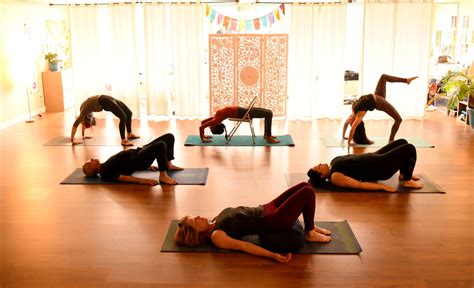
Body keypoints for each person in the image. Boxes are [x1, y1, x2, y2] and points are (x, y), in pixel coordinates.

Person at [174, 182, 332, 263]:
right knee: (308, 193)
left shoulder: (214, 221)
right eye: (194, 220)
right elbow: (244, 246)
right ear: (197, 232)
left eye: (194, 216)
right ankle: (309, 232)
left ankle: (309, 224)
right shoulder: (217, 235)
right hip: (272, 220)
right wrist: (273, 256)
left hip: (267, 207)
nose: (198, 216)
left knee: (304, 185)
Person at [307, 139, 423, 192]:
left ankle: (403, 174)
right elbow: (359, 185)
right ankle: (407, 181)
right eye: (318, 167)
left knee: (402, 142)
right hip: (381, 167)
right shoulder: (335, 177)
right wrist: (382, 187)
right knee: (409, 149)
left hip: (375, 157)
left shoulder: (333, 162)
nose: (320, 164)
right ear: (322, 176)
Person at [342, 74, 418, 145]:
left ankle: (406, 80)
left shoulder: (352, 113)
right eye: (352, 123)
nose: (350, 122)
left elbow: (345, 125)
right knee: (398, 119)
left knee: (383, 77)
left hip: (377, 95)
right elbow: (353, 129)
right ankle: (391, 140)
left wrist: (343, 136)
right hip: (380, 103)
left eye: (350, 123)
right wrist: (349, 143)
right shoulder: (359, 116)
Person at [81, 133, 182, 185]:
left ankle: (168, 164)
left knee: (169, 137)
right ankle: (163, 175)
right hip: (138, 160)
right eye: (90, 161)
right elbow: (123, 178)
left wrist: (148, 166)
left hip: (138, 152)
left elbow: (123, 166)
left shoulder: (104, 165)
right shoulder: (105, 173)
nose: (91, 158)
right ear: (92, 169)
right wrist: (144, 181)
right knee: (161, 145)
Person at [71, 95, 140, 146]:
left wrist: (73, 139)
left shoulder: (84, 112)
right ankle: (123, 140)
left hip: (106, 99)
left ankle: (129, 133)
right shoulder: (85, 113)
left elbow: (75, 125)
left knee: (129, 113)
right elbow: (83, 123)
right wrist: (78, 138)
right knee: (123, 117)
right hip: (105, 101)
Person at [199, 106, 280, 143]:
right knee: (269, 114)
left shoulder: (216, 119)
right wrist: (203, 137)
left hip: (242, 111)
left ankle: (267, 135)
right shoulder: (216, 120)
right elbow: (202, 126)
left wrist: (203, 137)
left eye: (210, 128)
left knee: (269, 113)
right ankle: (268, 136)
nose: (209, 127)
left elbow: (202, 124)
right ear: (215, 126)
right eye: (210, 128)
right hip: (242, 112)